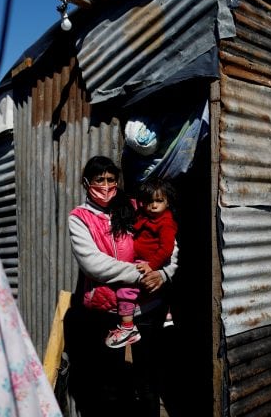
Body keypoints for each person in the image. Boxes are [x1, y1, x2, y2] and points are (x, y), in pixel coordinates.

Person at [66, 155, 177, 417]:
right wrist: (140, 274)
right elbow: (93, 264)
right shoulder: (79, 218)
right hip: (107, 312)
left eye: (110, 180)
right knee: (111, 383)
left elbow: (170, 243)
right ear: (86, 183)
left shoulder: (133, 206)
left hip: (148, 306)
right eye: (99, 180)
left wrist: (164, 274)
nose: (105, 186)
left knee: (148, 380)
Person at [107, 177, 178, 348]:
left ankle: (127, 327)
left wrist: (151, 265)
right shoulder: (143, 215)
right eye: (149, 202)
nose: (153, 205)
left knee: (126, 290)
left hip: (150, 262)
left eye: (159, 201)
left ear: (168, 202)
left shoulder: (166, 223)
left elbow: (166, 249)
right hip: (141, 261)